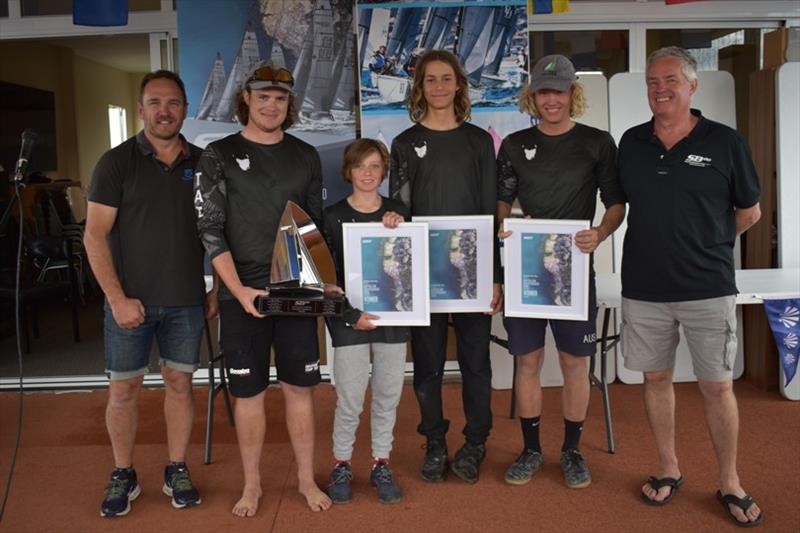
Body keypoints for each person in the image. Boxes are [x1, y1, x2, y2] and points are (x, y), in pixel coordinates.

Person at [618, 46, 763, 527]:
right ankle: (668, 467)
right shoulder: (632, 142)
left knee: (718, 386)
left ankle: (730, 481)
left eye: (670, 81)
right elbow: (620, 205)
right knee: (655, 378)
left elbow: (750, 212)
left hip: (707, 287)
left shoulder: (726, 142)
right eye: (653, 82)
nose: (660, 89)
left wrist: (709, 244)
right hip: (644, 287)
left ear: (692, 85)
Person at [194, 59, 331, 516]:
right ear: (246, 99)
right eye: (263, 96)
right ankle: (251, 485)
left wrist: (322, 286)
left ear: (289, 105)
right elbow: (210, 230)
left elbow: (315, 228)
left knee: (299, 388)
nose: (271, 105)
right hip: (242, 294)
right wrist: (237, 290)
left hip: (296, 289)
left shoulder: (306, 155)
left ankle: (307, 480)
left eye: (280, 98)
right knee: (248, 393)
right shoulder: (217, 154)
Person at [85, 70, 215, 517]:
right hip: (128, 304)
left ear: (185, 108)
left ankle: (176, 467)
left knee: (180, 385)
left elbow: (218, 235)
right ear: (140, 109)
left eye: (174, 102)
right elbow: (94, 236)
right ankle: (124, 472)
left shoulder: (204, 164)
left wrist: (215, 289)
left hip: (185, 301)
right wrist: (117, 299)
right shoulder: (116, 163)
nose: (164, 111)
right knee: (124, 391)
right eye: (155, 102)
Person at [496, 55, 625, 489]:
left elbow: (615, 202)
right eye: (544, 91)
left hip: (574, 269)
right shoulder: (514, 143)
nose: (552, 99)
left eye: (560, 91)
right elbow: (504, 197)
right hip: (525, 266)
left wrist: (601, 233)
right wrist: (504, 224)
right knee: (528, 360)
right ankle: (531, 449)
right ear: (532, 96)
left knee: (574, 362)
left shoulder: (598, 142)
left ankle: (571, 450)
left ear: (573, 94)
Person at [387, 49, 503, 485]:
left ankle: (475, 441)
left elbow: (491, 211)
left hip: (473, 271)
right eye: (430, 80)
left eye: (445, 79)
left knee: (476, 360)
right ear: (420, 87)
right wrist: (393, 220)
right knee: (430, 362)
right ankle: (435, 441)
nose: (438, 86)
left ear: (459, 85)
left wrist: (495, 275)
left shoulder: (478, 143)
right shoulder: (404, 144)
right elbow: (398, 207)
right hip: (422, 272)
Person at [323, 138, 410, 505]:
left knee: (388, 395)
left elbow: (410, 266)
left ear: (384, 171)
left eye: (376, 166)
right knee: (350, 397)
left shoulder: (398, 212)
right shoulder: (331, 216)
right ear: (348, 171)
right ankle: (341, 462)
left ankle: (380, 462)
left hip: (392, 317)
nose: (368, 173)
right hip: (348, 322)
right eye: (361, 166)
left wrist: (401, 230)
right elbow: (325, 280)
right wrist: (348, 315)